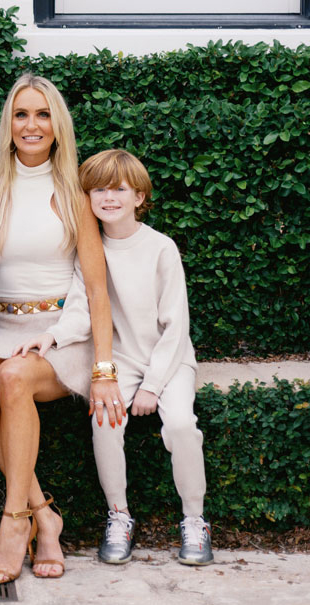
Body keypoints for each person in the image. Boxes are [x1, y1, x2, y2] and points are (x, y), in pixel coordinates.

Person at [0, 73, 119, 584]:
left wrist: (104, 370)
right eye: (21, 114)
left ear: (57, 125)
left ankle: (15, 524)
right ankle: (45, 515)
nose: (31, 125)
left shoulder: (75, 190)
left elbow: (98, 290)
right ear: (7, 124)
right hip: (1, 327)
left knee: (12, 378)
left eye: (42, 114)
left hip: (65, 334)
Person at [76, 148, 212, 566]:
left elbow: (177, 326)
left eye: (119, 188)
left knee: (183, 425)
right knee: (105, 420)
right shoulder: (88, 248)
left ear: (139, 196)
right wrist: (50, 337)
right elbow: (79, 308)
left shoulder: (160, 247)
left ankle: (195, 520)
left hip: (167, 359)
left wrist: (152, 386)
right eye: (98, 189)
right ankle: (118, 515)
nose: (109, 197)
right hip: (118, 360)